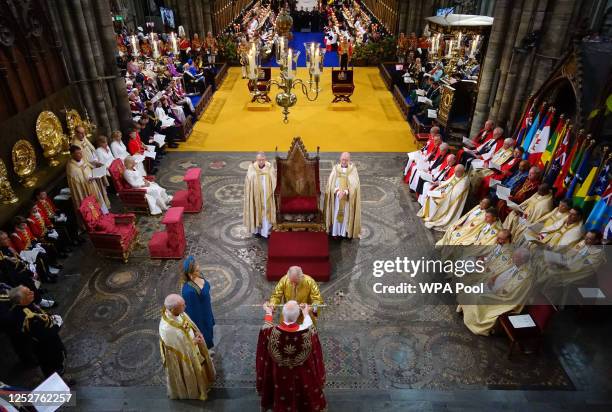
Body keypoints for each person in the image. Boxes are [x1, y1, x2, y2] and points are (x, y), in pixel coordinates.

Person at [256, 301, 326, 412]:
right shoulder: (309, 334)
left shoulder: (270, 332)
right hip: (301, 376)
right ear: (298, 315)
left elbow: (266, 326)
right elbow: (311, 329)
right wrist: (306, 313)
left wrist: (269, 312)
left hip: (278, 376)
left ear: (283, 314)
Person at [458, 248, 534, 336]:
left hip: (501, 297)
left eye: (516, 257)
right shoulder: (513, 263)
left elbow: (514, 294)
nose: (512, 258)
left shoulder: (526, 277)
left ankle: (474, 321)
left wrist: (496, 292)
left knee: (478, 297)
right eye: (514, 255)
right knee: (472, 289)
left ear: (523, 260)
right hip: (492, 286)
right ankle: (465, 312)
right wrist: (493, 278)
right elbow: (499, 271)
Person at [159, 294, 215, 400]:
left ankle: (204, 383)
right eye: (182, 306)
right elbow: (177, 350)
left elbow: (188, 325)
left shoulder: (177, 313)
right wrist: (193, 342)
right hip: (186, 358)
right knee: (194, 370)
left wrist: (196, 332)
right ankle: (197, 389)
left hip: (194, 348)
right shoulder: (167, 329)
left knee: (201, 365)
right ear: (173, 309)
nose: (185, 307)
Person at [8, 286, 68, 379]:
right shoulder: (29, 317)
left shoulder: (25, 306)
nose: (32, 292)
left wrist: (50, 317)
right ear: (20, 300)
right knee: (55, 366)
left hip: (41, 344)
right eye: (28, 293)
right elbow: (45, 335)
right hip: (47, 348)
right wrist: (57, 325)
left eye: (30, 290)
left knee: (54, 363)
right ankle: (60, 383)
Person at [418, 164, 470, 231]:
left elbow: (456, 196)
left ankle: (435, 217)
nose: (455, 173)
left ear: (462, 172)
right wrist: (440, 184)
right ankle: (429, 214)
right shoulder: (457, 174)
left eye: (457, 172)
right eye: (455, 171)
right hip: (445, 192)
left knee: (437, 200)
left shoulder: (464, 182)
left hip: (450, 199)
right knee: (432, 194)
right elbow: (449, 182)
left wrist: (443, 195)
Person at [323, 152, 362, 239]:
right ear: (340, 159)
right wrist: (337, 192)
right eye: (343, 159)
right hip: (337, 198)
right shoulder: (336, 169)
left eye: (346, 160)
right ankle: (335, 232)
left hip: (347, 198)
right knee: (337, 214)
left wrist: (345, 192)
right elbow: (331, 183)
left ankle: (344, 232)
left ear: (349, 160)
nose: (344, 161)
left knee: (346, 215)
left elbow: (355, 185)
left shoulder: (352, 170)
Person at [181, 256, 215, 351]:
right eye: (196, 270)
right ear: (189, 273)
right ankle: (205, 352)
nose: (199, 270)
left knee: (210, 330)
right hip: (200, 316)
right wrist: (198, 329)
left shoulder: (199, 275)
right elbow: (193, 313)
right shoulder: (189, 291)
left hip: (206, 309)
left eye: (198, 267)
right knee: (205, 335)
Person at [66, 145, 110, 214]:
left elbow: (89, 168)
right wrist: (87, 179)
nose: (81, 155)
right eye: (78, 153)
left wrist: (95, 172)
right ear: (72, 155)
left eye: (81, 153)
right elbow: (76, 182)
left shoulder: (82, 160)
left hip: (92, 185)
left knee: (99, 202)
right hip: (84, 191)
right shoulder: (71, 167)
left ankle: (104, 215)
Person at [243, 152, 276, 238]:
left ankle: (266, 231)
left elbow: (273, 178)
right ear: (256, 160)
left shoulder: (269, 167)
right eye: (259, 160)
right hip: (256, 195)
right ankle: (257, 231)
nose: (261, 162)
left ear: (265, 159)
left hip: (266, 195)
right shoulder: (252, 168)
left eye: (262, 160)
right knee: (256, 210)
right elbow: (249, 180)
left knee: (266, 212)